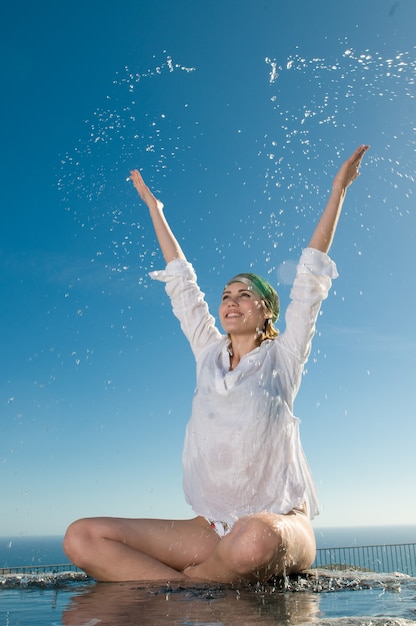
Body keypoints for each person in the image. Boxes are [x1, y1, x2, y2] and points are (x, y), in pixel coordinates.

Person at [63, 144, 369, 583]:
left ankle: (191, 584)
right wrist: (154, 207)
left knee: (253, 541)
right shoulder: (208, 353)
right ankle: (188, 586)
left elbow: (310, 277)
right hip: (212, 529)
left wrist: (338, 191)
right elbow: (182, 281)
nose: (231, 301)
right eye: (226, 295)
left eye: (245, 294)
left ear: (267, 310)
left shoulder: (283, 357)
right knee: (81, 537)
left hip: (279, 524)